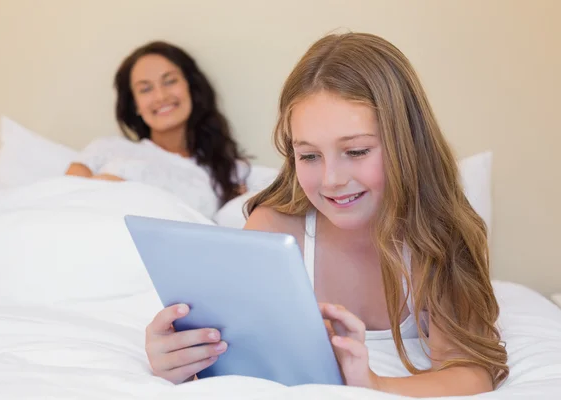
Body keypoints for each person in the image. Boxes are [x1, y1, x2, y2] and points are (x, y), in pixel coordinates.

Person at [143, 32, 509, 396]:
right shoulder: (274, 230)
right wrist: (180, 363)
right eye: (309, 156)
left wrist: (372, 384)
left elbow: (469, 373)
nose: (332, 181)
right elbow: (232, 362)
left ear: (406, 144)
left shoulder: (437, 238)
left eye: (356, 151)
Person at [65, 41, 250, 219]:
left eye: (170, 81)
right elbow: (63, 201)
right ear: (135, 104)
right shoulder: (106, 149)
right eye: (145, 89)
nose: (161, 96)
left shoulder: (228, 172)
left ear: (191, 87)